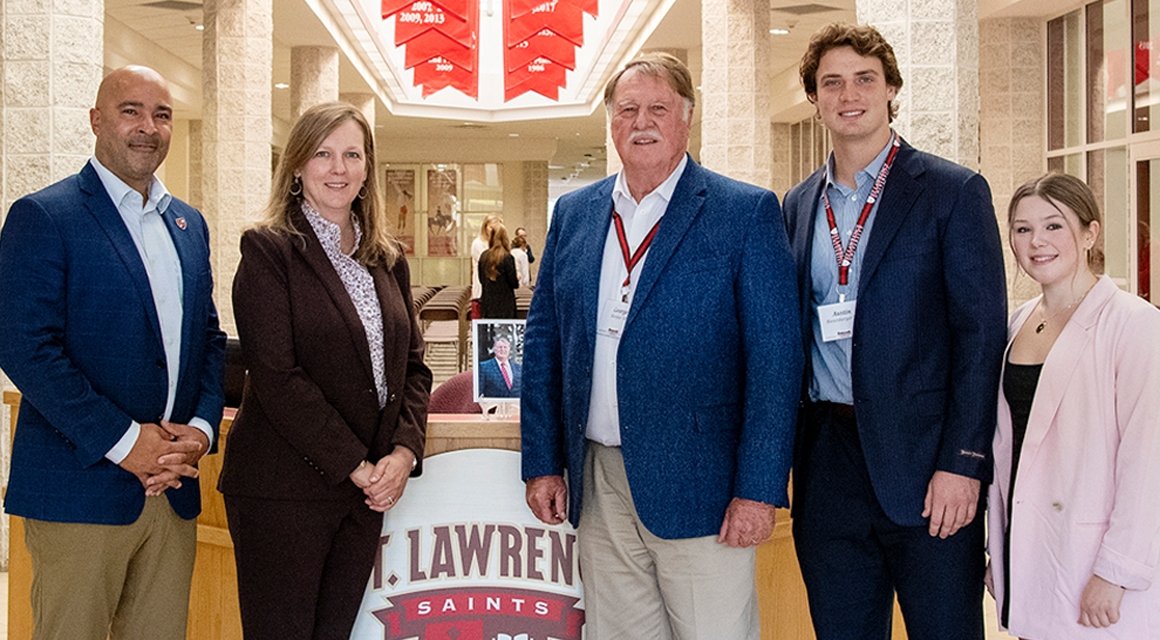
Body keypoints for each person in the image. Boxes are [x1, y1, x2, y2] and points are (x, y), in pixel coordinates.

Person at [521, 52, 802, 639]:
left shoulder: (743, 213)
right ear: (611, 122)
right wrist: (544, 462)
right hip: (598, 481)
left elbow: (776, 364)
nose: (641, 122)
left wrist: (758, 490)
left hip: (704, 485)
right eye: (627, 110)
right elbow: (545, 342)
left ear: (687, 119)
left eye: (658, 108)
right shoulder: (574, 215)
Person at [781, 23, 1008, 640]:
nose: (848, 93)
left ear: (890, 90)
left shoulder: (952, 192)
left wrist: (964, 462)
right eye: (831, 82)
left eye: (864, 79)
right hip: (828, 465)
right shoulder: (798, 206)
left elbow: (980, 339)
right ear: (815, 99)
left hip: (928, 469)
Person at [0, 65, 226, 640]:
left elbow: (208, 338)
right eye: (131, 111)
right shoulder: (46, 216)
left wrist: (198, 432)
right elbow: (26, 347)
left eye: (162, 114)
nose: (147, 127)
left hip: (172, 490)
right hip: (81, 490)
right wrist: (128, 442)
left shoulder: (188, 224)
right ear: (97, 120)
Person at [219, 101, 432, 640]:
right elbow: (277, 376)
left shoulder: (387, 257)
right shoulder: (268, 251)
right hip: (283, 491)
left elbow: (411, 368)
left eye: (352, 155)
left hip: (363, 495)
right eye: (323, 154)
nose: (338, 168)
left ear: (367, 168)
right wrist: (358, 465)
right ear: (296, 166)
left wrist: (403, 454)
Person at [986, 173, 1160, 639]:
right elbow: (1013, 451)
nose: (1037, 242)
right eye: (1023, 230)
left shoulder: (1135, 324)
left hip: (1096, 568)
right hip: (1032, 556)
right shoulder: (1015, 324)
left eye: (1053, 226)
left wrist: (1116, 570)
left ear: (1090, 233)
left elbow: (1148, 461)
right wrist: (1001, 551)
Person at [479, 222, 520, 318]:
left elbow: (481, 280)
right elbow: (514, 283)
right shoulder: (508, 257)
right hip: (505, 305)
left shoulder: (484, 256)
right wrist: (517, 277)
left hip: (488, 303)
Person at [470, 214, 502, 318]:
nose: (493, 231)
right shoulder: (478, 243)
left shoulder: (498, 244)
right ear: (485, 227)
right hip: (482, 287)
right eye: (491, 228)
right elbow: (487, 263)